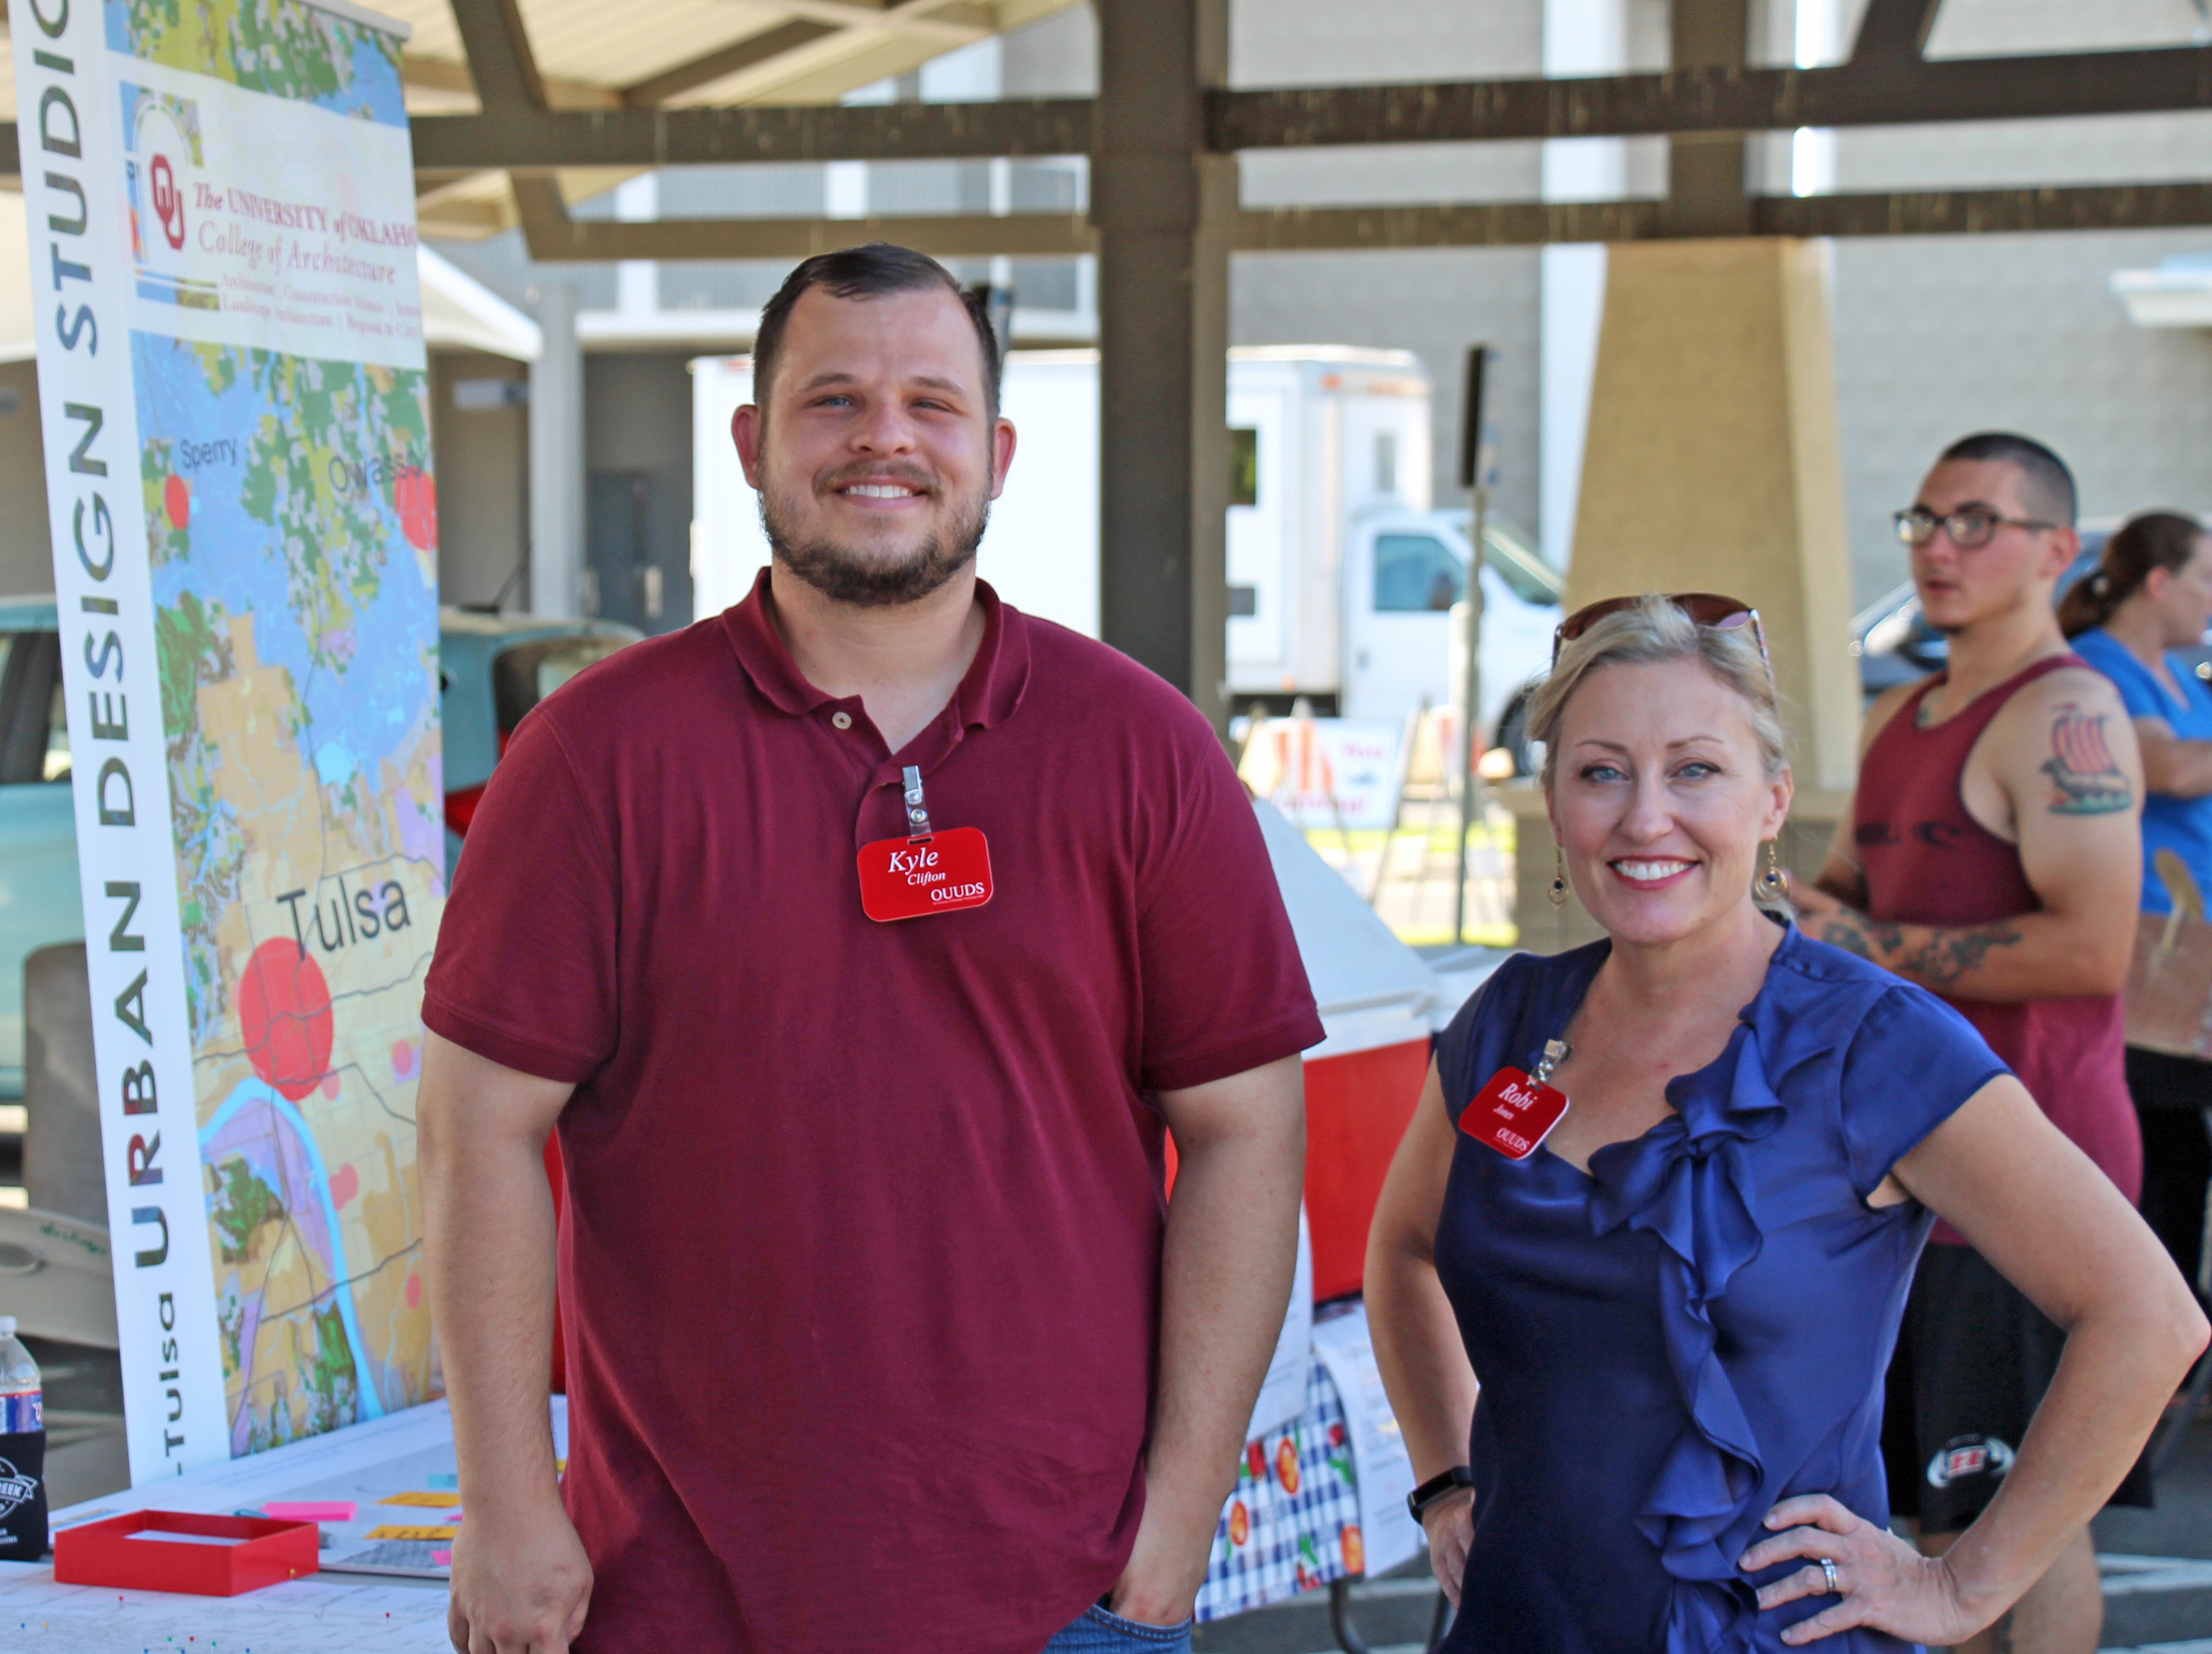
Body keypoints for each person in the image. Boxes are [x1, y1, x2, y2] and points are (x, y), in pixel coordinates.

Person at [417, 243, 1320, 1654]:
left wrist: (1178, 1517)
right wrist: (503, 1502)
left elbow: (1249, 1131)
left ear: (997, 451)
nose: (883, 436)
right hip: (675, 1605)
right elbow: (476, 1129)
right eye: (831, 400)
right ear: (752, 443)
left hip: (1063, 1605)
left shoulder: (1144, 751)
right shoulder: (594, 758)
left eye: (930, 403)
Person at [1366, 592, 2204, 1654]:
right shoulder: (1507, 1018)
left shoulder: (1874, 1044)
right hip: (1517, 1620)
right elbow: (1401, 1251)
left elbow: (2147, 1319)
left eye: (1695, 770)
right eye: (1601, 771)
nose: (1643, 817)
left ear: (1772, 801)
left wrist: (1957, 1592)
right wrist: (1444, 1481)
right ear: (1552, 800)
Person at [1791, 433, 2149, 1654]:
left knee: (2016, 1513)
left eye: (1976, 522)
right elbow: (1833, 897)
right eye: (1924, 520)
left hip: (2026, 1169)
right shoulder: (1907, 707)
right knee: (1938, 1521)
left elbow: (2092, 950)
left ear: (2057, 550)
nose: (1939, 546)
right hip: (1907, 1171)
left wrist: (1860, 938)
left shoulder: (2068, 714)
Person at [2063, 511, 2212, 1312]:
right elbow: (2171, 769)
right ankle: (2151, 1330)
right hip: (2148, 951)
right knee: (2158, 1147)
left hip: (2193, 949)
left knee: (2181, 1152)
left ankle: (2175, 1329)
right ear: (2158, 582)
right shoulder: (2098, 667)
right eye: (2206, 580)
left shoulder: (2179, 674)